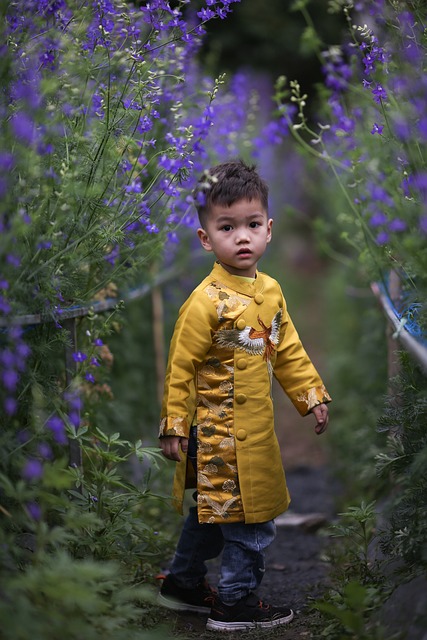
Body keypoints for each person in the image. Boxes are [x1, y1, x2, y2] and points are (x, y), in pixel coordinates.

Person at [157, 159, 331, 632]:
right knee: (250, 519)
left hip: (253, 431)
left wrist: (311, 395)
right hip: (218, 433)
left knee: (213, 511)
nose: (242, 237)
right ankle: (234, 602)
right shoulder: (205, 302)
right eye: (227, 226)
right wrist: (174, 424)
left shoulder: (270, 293)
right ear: (205, 238)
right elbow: (182, 367)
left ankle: (184, 582)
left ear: (269, 230)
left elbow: (285, 349)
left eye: (252, 225)